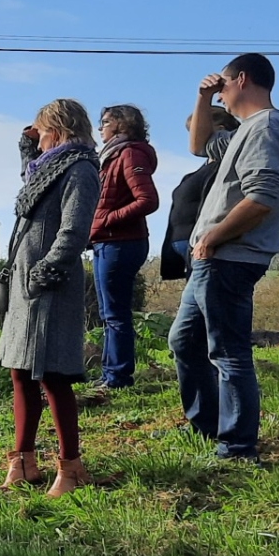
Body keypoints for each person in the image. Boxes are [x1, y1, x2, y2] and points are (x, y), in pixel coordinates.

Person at [167, 53, 279, 461]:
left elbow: (263, 196)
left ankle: (238, 448)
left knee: (228, 352)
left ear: (241, 79)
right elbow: (199, 145)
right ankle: (208, 429)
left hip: (230, 256)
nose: (219, 92)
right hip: (218, 255)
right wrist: (202, 98)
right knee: (184, 340)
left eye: (222, 85)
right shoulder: (246, 129)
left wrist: (212, 237)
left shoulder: (267, 127)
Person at [0, 100, 100, 496]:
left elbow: (74, 231)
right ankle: (23, 463)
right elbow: (32, 182)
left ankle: (70, 469)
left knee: (54, 376)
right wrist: (26, 146)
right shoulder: (47, 168)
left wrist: (46, 270)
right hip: (27, 285)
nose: (37, 142)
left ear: (55, 129)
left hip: (49, 285)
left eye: (41, 132)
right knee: (20, 372)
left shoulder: (81, 169)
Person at [88, 105, 159, 390]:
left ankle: (117, 376)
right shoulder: (113, 155)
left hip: (119, 242)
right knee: (109, 313)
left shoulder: (129, 153)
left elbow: (148, 199)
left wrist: (106, 219)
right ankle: (110, 374)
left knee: (115, 313)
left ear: (120, 125)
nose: (100, 128)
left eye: (104, 122)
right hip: (108, 242)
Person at [159, 107, 239, 282]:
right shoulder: (197, 173)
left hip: (204, 246)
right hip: (186, 247)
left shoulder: (227, 170)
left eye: (198, 130)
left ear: (220, 130)